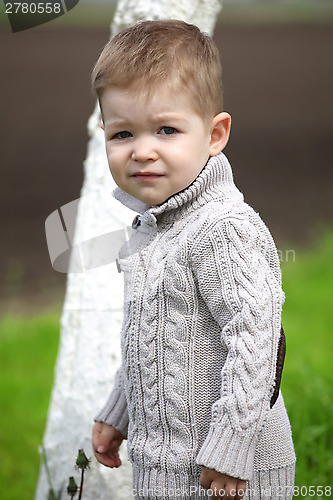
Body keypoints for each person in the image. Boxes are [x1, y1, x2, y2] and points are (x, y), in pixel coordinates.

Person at [91, 19, 296, 500]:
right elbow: (152, 336)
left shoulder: (222, 228)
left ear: (214, 134)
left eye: (166, 129)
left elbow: (258, 343)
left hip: (230, 475)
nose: (143, 150)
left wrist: (232, 449)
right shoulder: (153, 227)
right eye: (122, 134)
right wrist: (118, 411)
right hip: (166, 470)